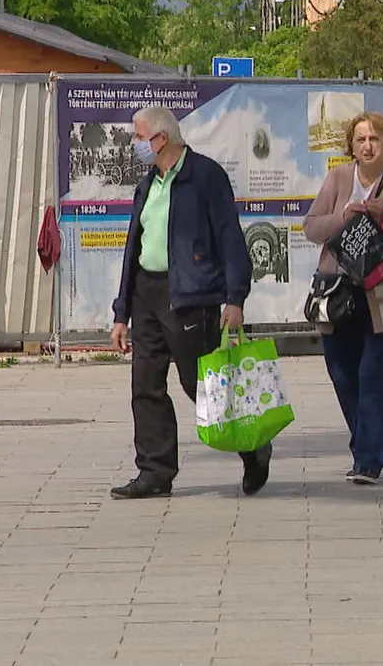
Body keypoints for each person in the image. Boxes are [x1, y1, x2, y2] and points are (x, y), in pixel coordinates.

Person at [108, 105, 269, 499]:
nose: (136, 144)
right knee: (145, 384)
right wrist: (121, 312)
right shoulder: (148, 184)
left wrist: (235, 297)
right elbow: (135, 246)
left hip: (191, 295)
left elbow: (230, 238)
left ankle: (253, 446)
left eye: (139, 136)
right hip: (147, 293)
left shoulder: (205, 176)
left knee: (201, 385)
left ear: (161, 139)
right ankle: (154, 472)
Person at [303, 112, 383, 484]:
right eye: (360, 140)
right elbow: (311, 226)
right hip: (339, 294)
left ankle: (368, 460)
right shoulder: (338, 178)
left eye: (375, 139)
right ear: (351, 146)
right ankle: (367, 443)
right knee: (342, 374)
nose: (367, 146)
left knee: (374, 375)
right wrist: (343, 216)